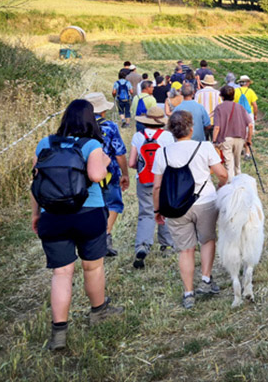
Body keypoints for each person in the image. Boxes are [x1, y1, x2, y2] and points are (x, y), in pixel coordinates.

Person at [30, 99, 123, 351]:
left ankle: (59, 333)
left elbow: (36, 182)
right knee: (92, 268)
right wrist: (103, 163)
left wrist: (36, 213)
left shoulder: (45, 143)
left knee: (61, 274)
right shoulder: (91, 144)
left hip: (53, 215)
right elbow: (95, 176)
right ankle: (98, 311)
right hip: (88, 214)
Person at [152, 110, 228, 309]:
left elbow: (157, 186)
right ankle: (205, 279)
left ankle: (188, 293)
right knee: (207, 240)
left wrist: (157, 210)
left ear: (170, 131)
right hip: (206, 202)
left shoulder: (163, 152)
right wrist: (221, 185)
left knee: (185, 250)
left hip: (176, 207)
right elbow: (222, 174)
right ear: (191, 128)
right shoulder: (205, 147)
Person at [129, 106, 176, 269]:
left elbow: (132, 163)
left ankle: (142, 246)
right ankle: (167, 244)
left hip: (143, 180)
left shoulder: (137, 136)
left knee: (146, 213)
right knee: (165, 210)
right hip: (163, 179)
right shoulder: (167, 137)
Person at [85, 92, 130, 258]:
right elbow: (119, 152)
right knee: (113, 204)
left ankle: (91, 238)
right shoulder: (110, 127)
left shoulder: (78, 127)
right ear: (103, 110)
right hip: (109, 173)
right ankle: (106, 235)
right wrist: (124, 173)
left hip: (85, 174)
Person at [212, 85, 253, 178]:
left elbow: (217, 127)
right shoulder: (240, 107)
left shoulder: (219, 108)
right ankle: (239, 183)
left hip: (226, 139)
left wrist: (214, 141)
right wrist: (249, 139)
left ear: (222, 96)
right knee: (237, 165)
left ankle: (230, 186)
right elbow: (250, 125)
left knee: (229, 165)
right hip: (240, 138)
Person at [195, 74, 221, 140]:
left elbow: (196, 107)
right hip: (214, 121)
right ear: (213, 84)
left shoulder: (199, 93)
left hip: (202, 121)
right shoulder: (217, 93)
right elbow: (220, 107)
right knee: (215, 142)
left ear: (204, 83)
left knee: (204, 142)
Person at [237, 75, 258, 157]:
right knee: (249, 132)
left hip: (238, 113)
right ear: (247, 83)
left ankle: (239, 149)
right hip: (248, 114)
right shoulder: (250, 92)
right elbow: (255, 105)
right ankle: (247, 152)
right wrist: (255, 114)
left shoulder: (235, 91)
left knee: (239, 132)